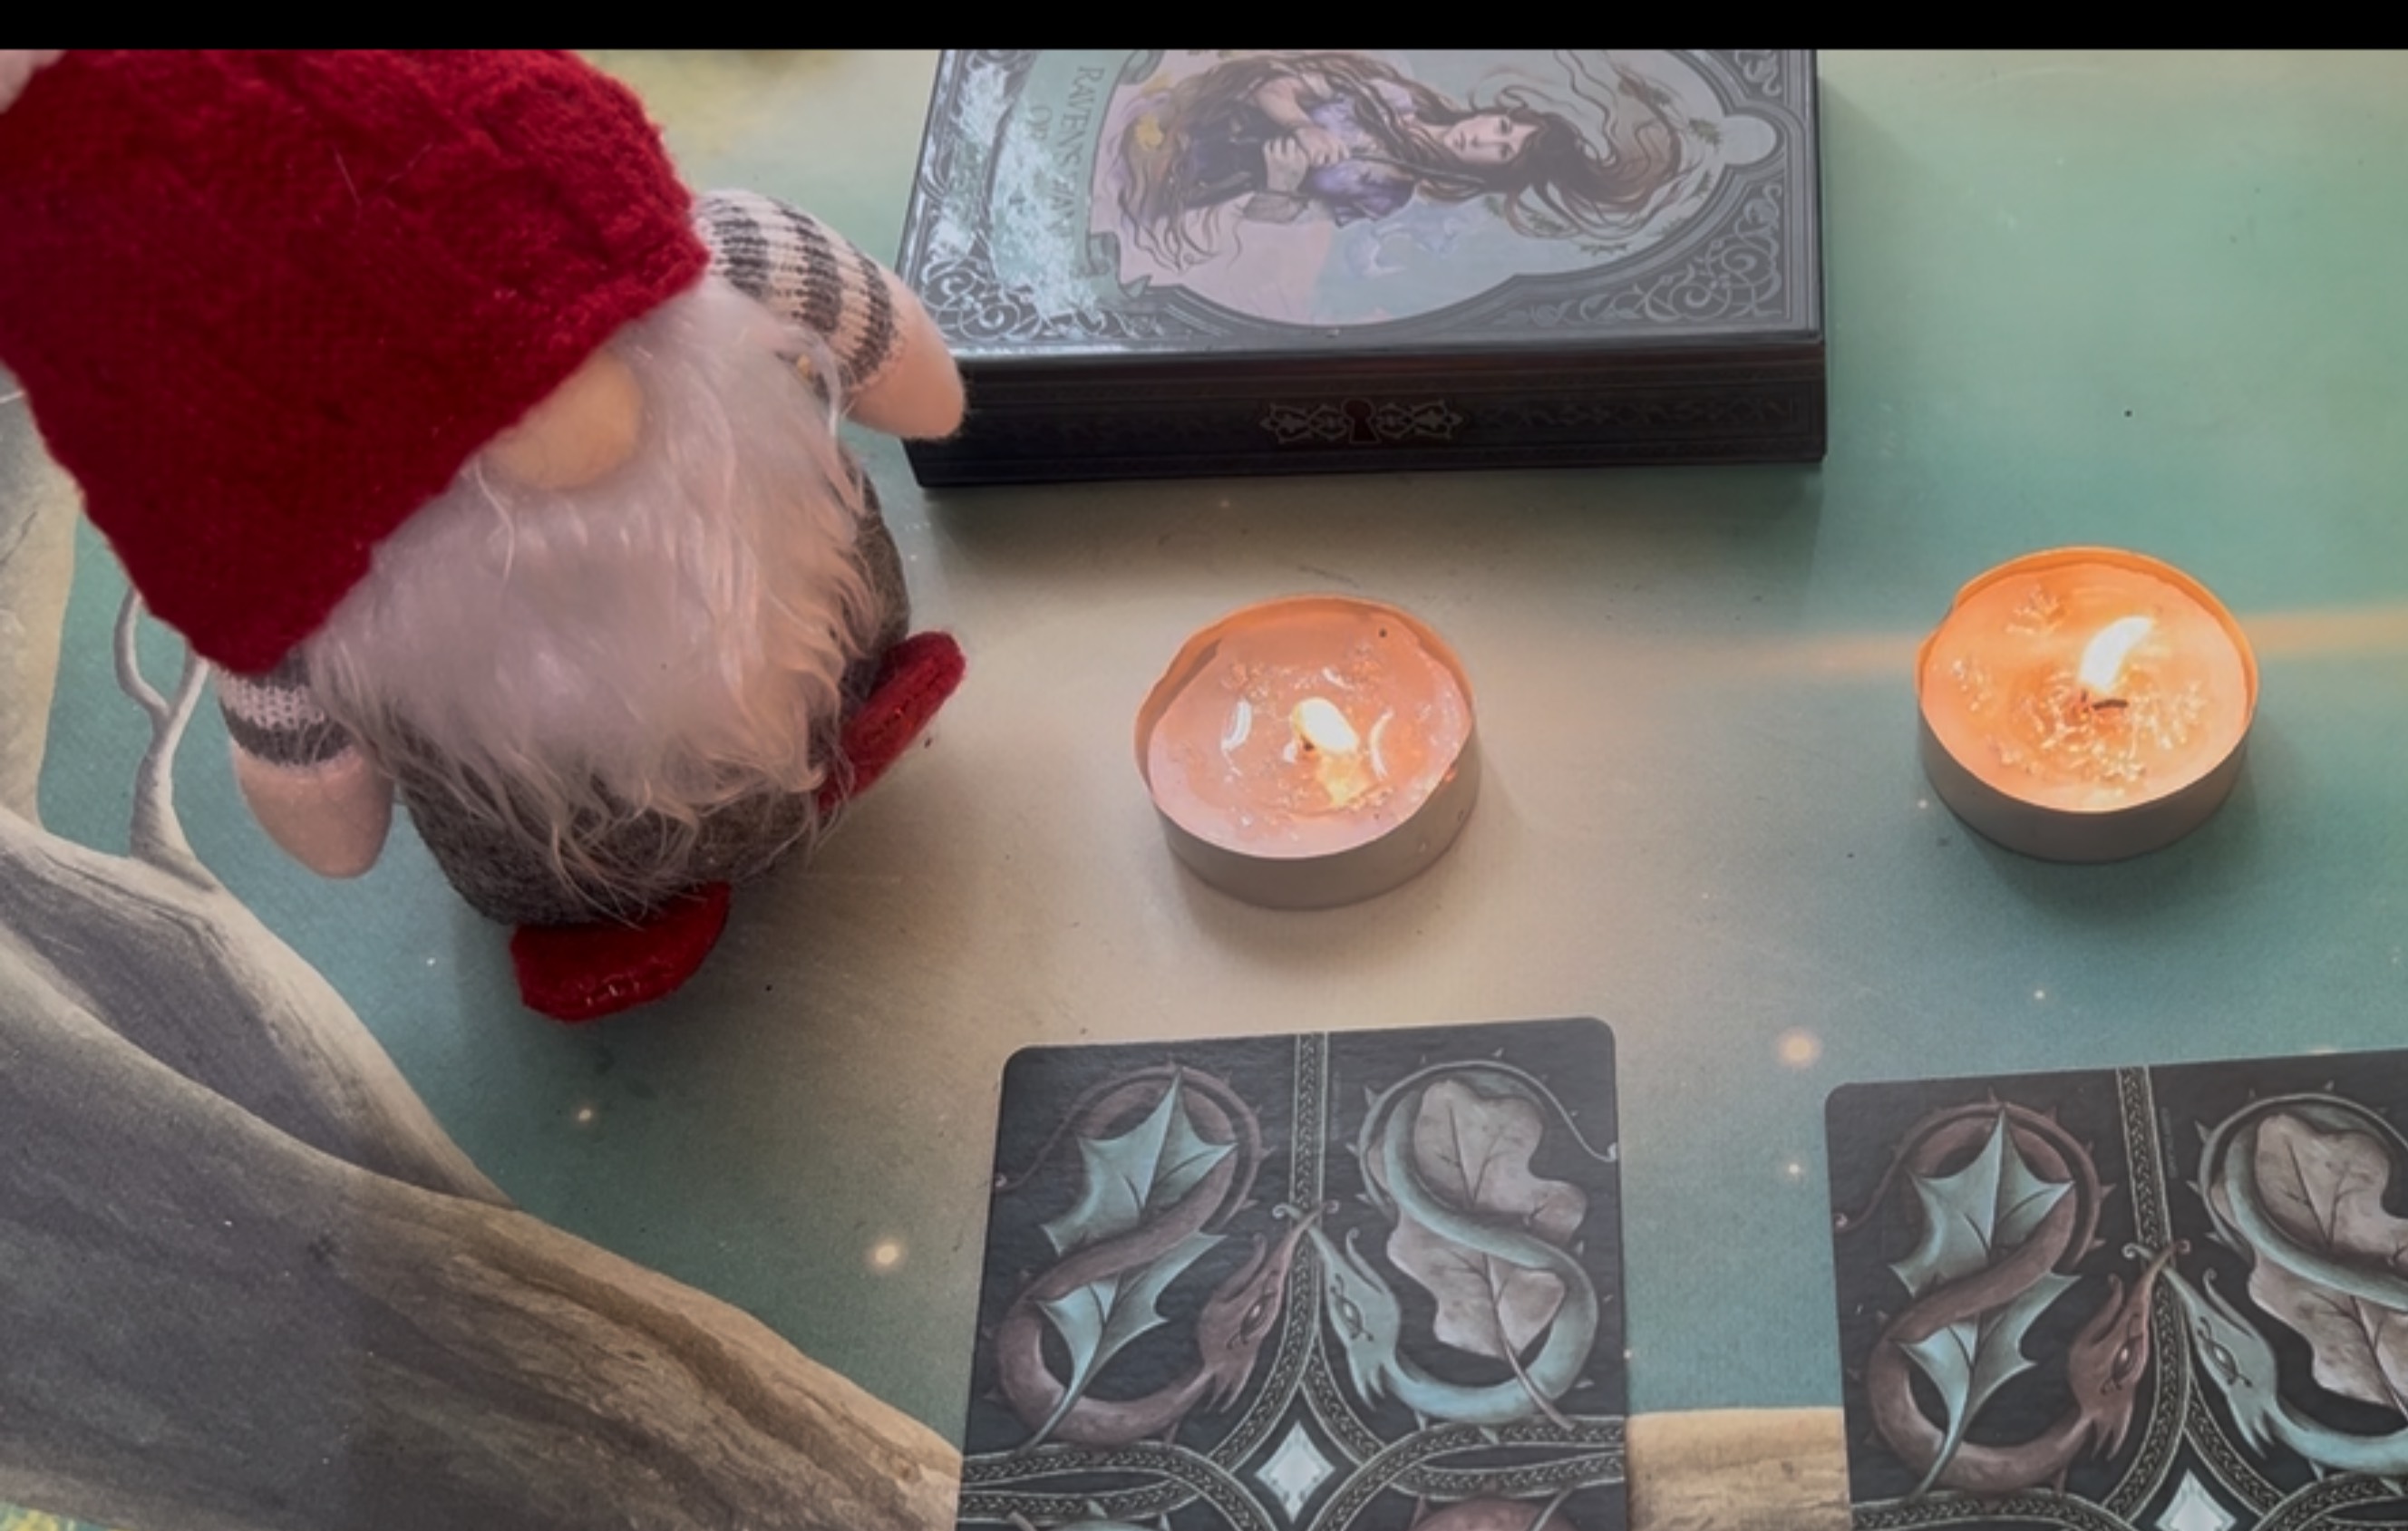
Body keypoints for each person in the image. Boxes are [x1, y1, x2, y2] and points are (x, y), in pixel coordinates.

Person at [0, 51, 969, 1019]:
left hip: (791, 633)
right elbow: (298, 741)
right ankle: (607, 912)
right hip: (553, 829)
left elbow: (856, 320)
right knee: (552, 836)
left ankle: (839, 710)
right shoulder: (283, 549)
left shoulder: (682, 254)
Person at [1105, 51, 1693, 269]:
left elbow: (1274, 216)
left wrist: (1282, 182)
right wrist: (1303, 125)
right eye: (1502, 127)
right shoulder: (1389, 95)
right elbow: (1272, 86)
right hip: (1181, 121)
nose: (1485, 139)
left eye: (1502, 152)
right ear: (1494, 112)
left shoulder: (1390, 192)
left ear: (1495, 171)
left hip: (1188, 185)